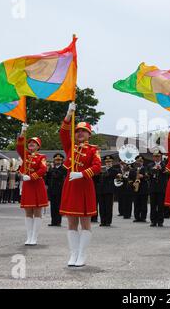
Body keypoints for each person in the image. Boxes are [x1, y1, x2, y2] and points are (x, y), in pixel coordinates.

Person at [60, 102, 101, 267]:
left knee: (85, 222)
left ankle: (82, 254)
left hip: (84, 186)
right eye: (77, 131)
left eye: (84, 131)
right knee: (71, 222)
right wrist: (69, 115)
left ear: (89, 134)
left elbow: (97, 167)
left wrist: (83, 173)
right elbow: (63, 133)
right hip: (70, 186)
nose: (80, 133)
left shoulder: (93, 150)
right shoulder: (70, 146)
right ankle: (74, 253)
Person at [17, 125, 49, 246]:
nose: (31, 144)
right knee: (27, 211)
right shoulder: (25, 155)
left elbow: (43, 169)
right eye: (29, 142)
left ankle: (34, 237)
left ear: (38, 146)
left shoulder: (42, 157)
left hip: (36, 184)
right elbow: (19, 146)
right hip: (27, 185)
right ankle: (29, 236)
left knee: (37, 210)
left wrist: (31, 176)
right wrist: (23, 132)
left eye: (34, 143)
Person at [147, 150, 168, 227]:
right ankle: (153, 221)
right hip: (153, 188)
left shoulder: (164, 164)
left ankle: (160, 221)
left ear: (161, 157)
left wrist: (161, 168)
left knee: (161, 205)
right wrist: (153, 170)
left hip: (161, 188)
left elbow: (167, 173)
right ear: (153, 157)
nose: (157, 158)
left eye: (158, 156)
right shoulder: (150, 165)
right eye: (155, 156)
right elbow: (148, 174)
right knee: (153, 205)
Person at [46, 153, 67, 227]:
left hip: (59, 190)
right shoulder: (52, 169)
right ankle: (53, 221)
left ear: (61, 161)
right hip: (52, 190)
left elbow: (57, 176)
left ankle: (58, 221)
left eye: (59, 160)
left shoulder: (64, 168)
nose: (57, 161)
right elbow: (47, 178)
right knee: (53, 206)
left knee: (58, 206)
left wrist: (52, 170)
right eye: (56, 160)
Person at [98, 155, 118, 227]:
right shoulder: (101, 169)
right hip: (101, 190)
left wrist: (106, 173)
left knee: (108, 206)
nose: (108, 163)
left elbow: (115, 177)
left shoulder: (114, 170)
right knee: (101, 206)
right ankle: (102, 221)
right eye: (106, 162)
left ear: (112, 162)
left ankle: (108, 221)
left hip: (109, 190)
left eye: (109, 162)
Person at [131, 155, 149, 223]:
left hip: (143, 188)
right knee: (136, 203)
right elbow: (130, 178)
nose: (139, 162)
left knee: (143, 204)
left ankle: (143, 217)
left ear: (143, 162)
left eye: (141, 161)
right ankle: (137, 217)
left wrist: (143, 176)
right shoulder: (133, 170)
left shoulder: (146, 168)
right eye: (138, 161)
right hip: (136, 188)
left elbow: (148, 176)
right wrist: (132, 183)